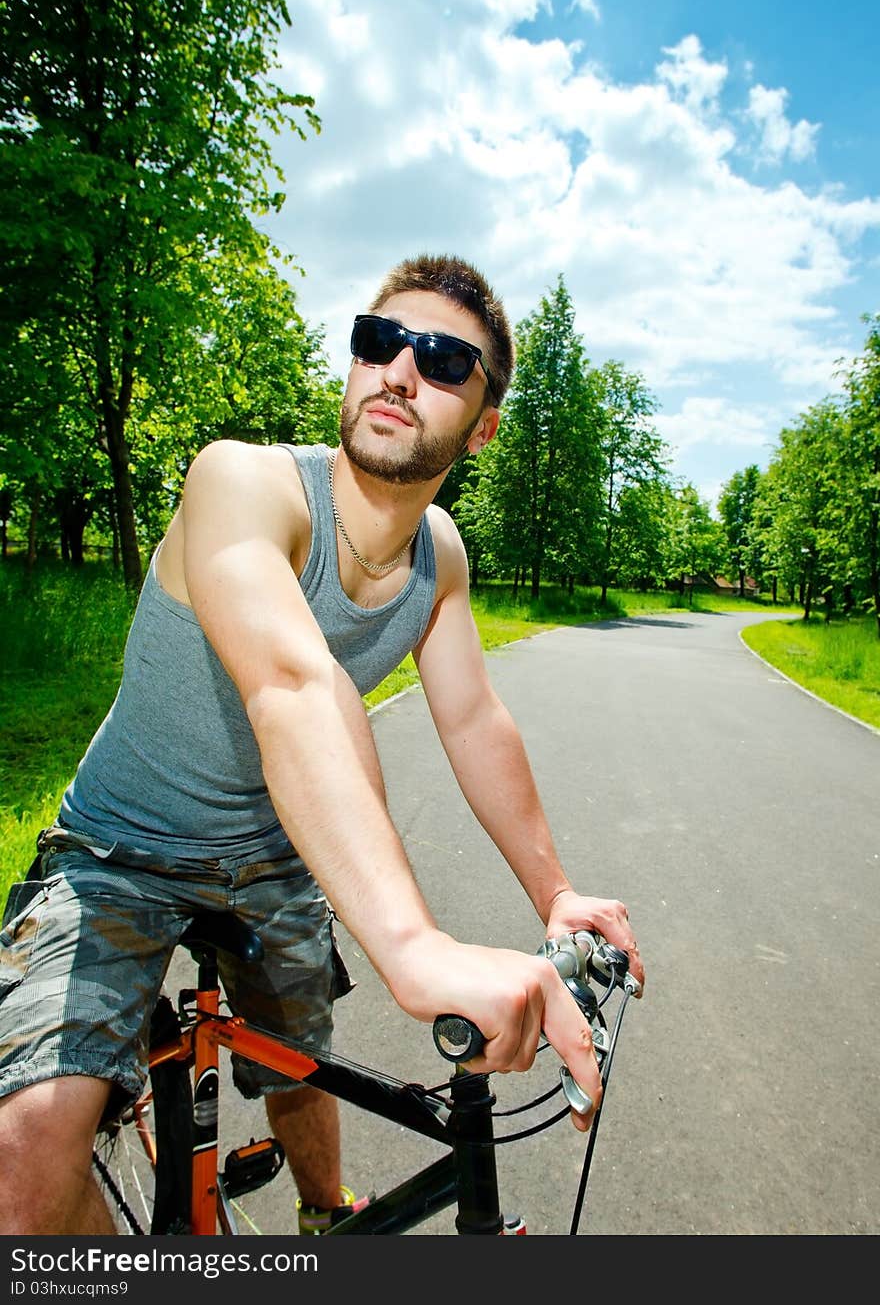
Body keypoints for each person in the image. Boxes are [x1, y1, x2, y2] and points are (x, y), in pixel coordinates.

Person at [0, 253, 644, 1235]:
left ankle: (320, 1213)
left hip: (275, 860)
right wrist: (414, 944)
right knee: (20, 1164)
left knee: (296, 1052)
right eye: (378, 341)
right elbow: (296, 688)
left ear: (482, 426)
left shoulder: (443, 556)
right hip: (115, 856)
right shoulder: (244, 482)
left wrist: (554, 893)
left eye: (440, 359)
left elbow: (472, 720)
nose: (398, 369)